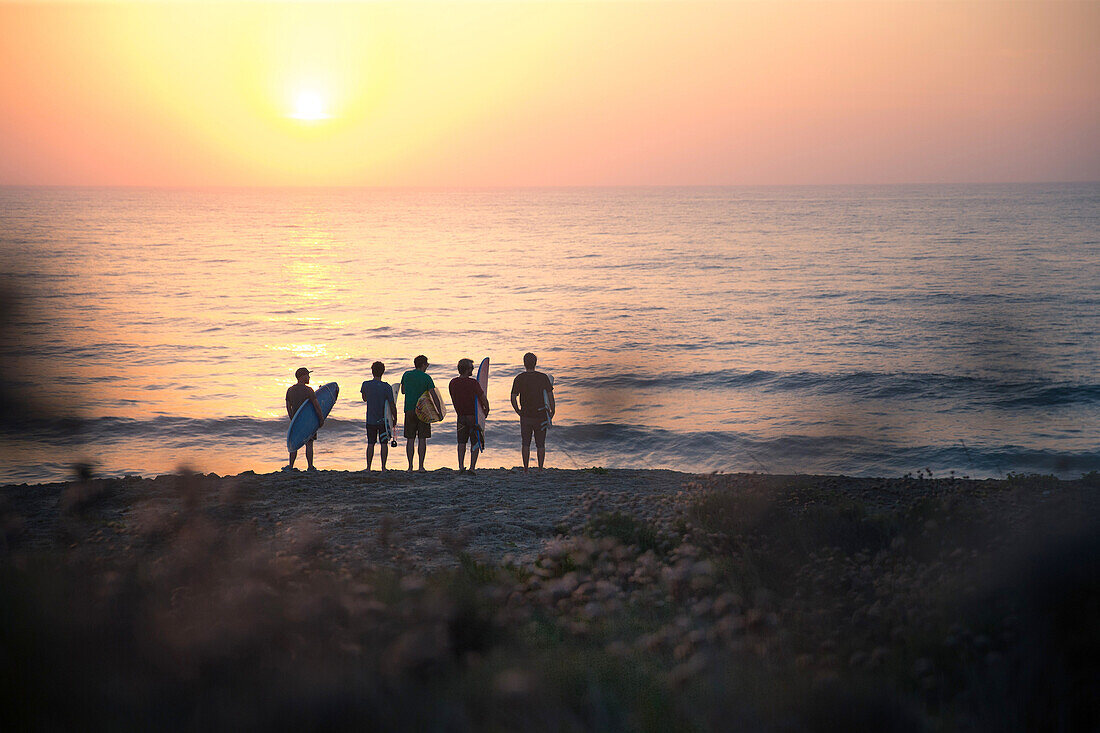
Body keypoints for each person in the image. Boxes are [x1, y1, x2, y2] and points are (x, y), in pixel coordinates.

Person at [510, 352, 555, 472]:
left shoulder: (519, 378)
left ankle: (526, 469)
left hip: (525, 415)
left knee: (525, 443)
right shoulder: (543, 377)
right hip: (540, 415)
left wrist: (517, 410)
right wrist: (552, 411)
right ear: (536, 363)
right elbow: (550, 396)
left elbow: (513, 397)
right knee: (540, 444)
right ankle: (540, 469)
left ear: (524, 363)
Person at [399, 355, 442, 472]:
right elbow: (434, 395)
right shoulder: (427, 378)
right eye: (427, 364)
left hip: (409, 409)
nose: (427, 366)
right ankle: (421, 466)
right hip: (423, 411)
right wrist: (439, 411)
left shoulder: (406, 375)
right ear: (423, 365)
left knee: (410, 439)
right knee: (422, 439)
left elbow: (403, 391)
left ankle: (410, 467)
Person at [449, 358, 490, 475]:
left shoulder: (453, 382)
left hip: (460, 416)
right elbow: (483, 398)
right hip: (473, 417)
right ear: (467, 370)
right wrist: (486, 410)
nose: (473, 370)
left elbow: (454, 397)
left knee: (461, 442)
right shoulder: (473, 383)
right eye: (471, 368)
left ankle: (461, 466)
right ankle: (472, 467)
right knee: (475, 441)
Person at [285, 367, 325, 471]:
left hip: (296, 422)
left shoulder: (290, 390)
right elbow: (316, 406)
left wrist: (292, 420)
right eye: (307, 375)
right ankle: (310, 466)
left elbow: (288, 407)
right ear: (302, 377)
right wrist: (321, 419)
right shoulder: (309, 390)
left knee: (294, 443)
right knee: (309, 443)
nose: (309, 377)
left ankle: (291, 466)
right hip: (308, 422)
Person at [361, 361, 397, 472]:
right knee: (384, 443)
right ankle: (383, 467)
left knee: (370, 443)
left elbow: (364, 398)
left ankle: (368, 467)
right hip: (383, 421)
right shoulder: (387, 387)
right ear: (383, 372)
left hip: (370, 420)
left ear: (372, 371)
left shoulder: (366, 384)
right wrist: (394, 418)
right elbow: (391, 404)